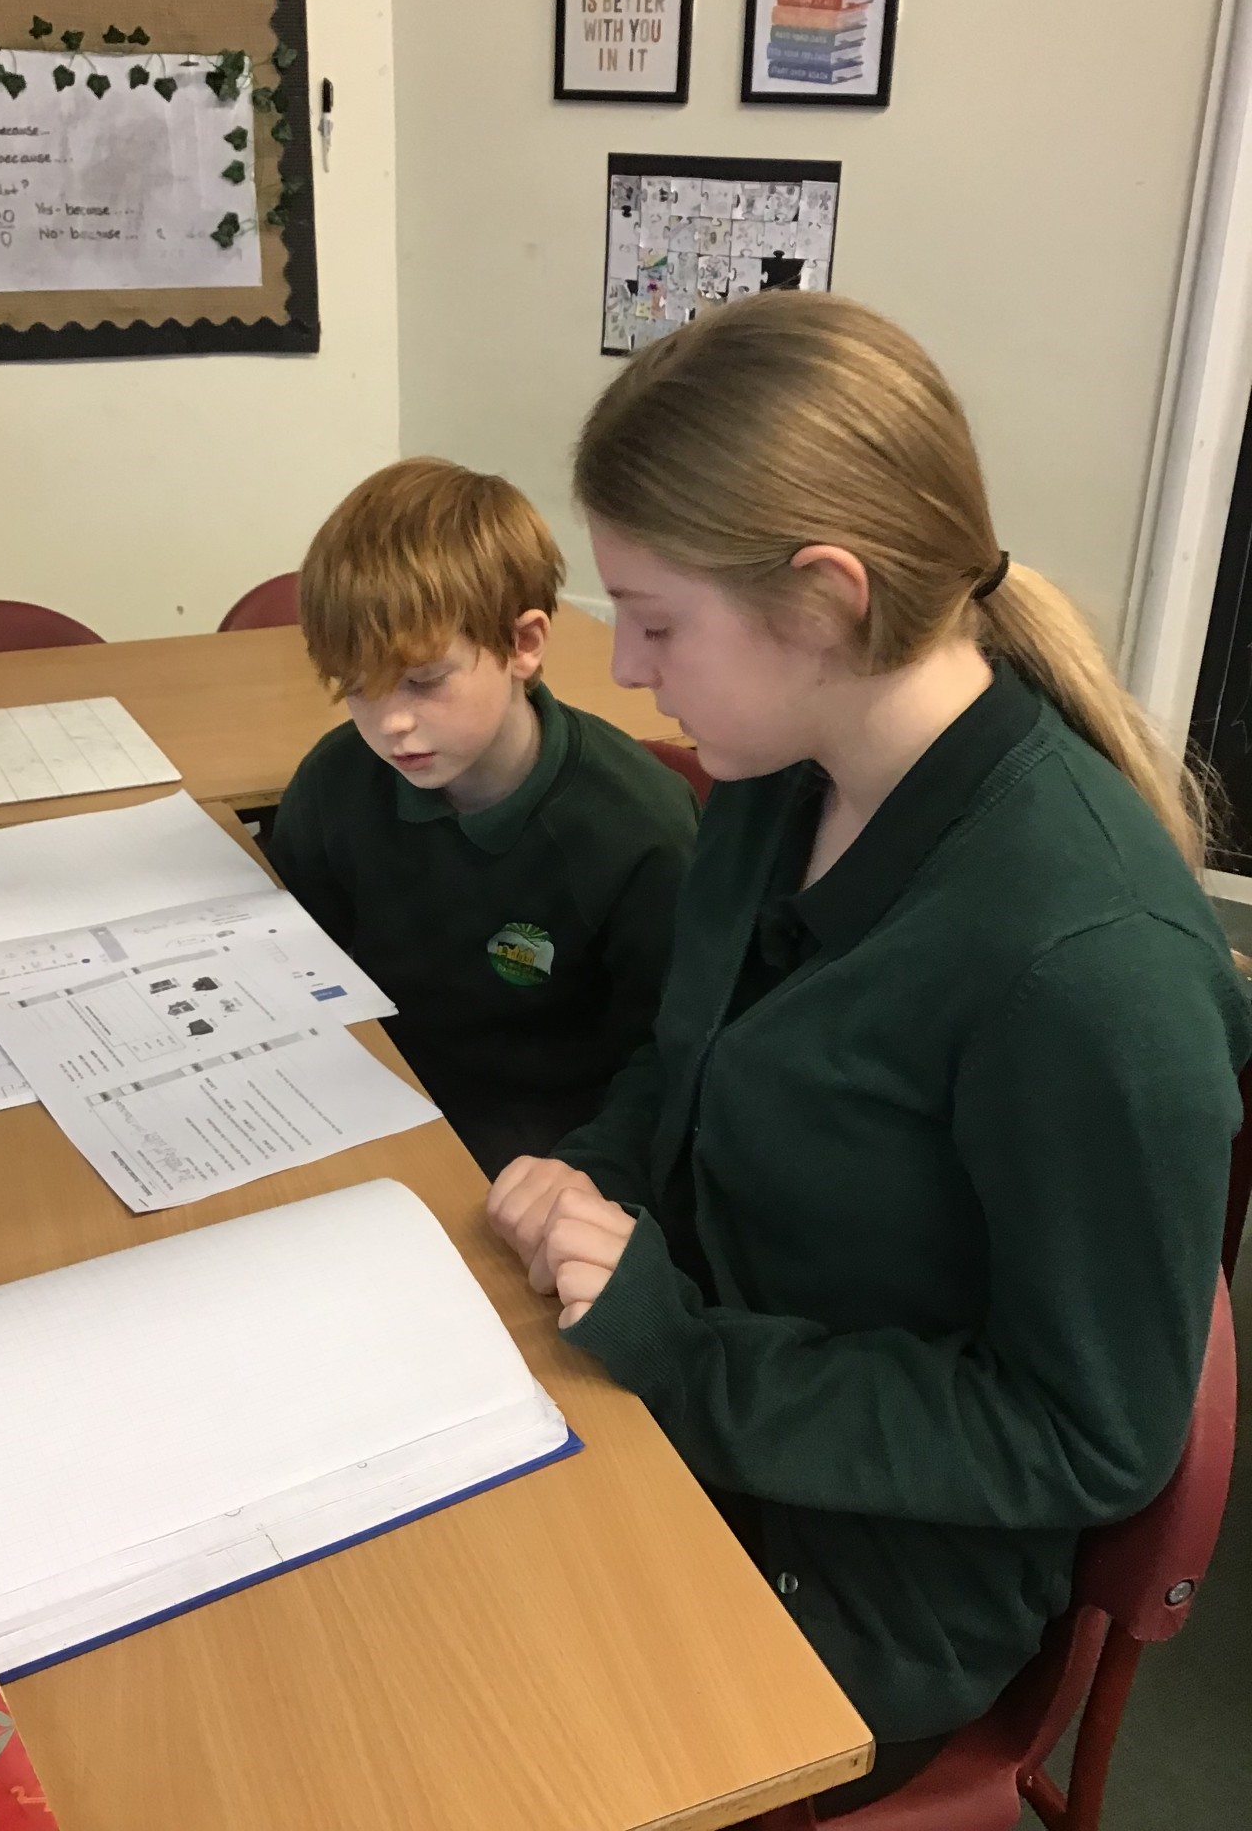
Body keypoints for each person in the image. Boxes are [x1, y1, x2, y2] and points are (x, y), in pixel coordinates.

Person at [486, 294, 1251, 1814]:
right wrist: (592, 1173)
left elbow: (1082, 1440)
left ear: (828, 600)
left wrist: (678, 1353)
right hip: (698, 1409)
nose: (627, 670)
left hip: (866, 1583)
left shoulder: (1083, 969)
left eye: (655, 621)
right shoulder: (784, 774)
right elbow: (694, 1062)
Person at [266, 456, 700, 1180]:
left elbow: (671, 1057)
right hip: (376, 1098)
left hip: (550, 1145)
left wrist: (583, 1175)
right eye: (358, 688)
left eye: (423, 681)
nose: (391, 724)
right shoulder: (336, 782)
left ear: (523, 645)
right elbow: (291, 964)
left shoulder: (639, 831)